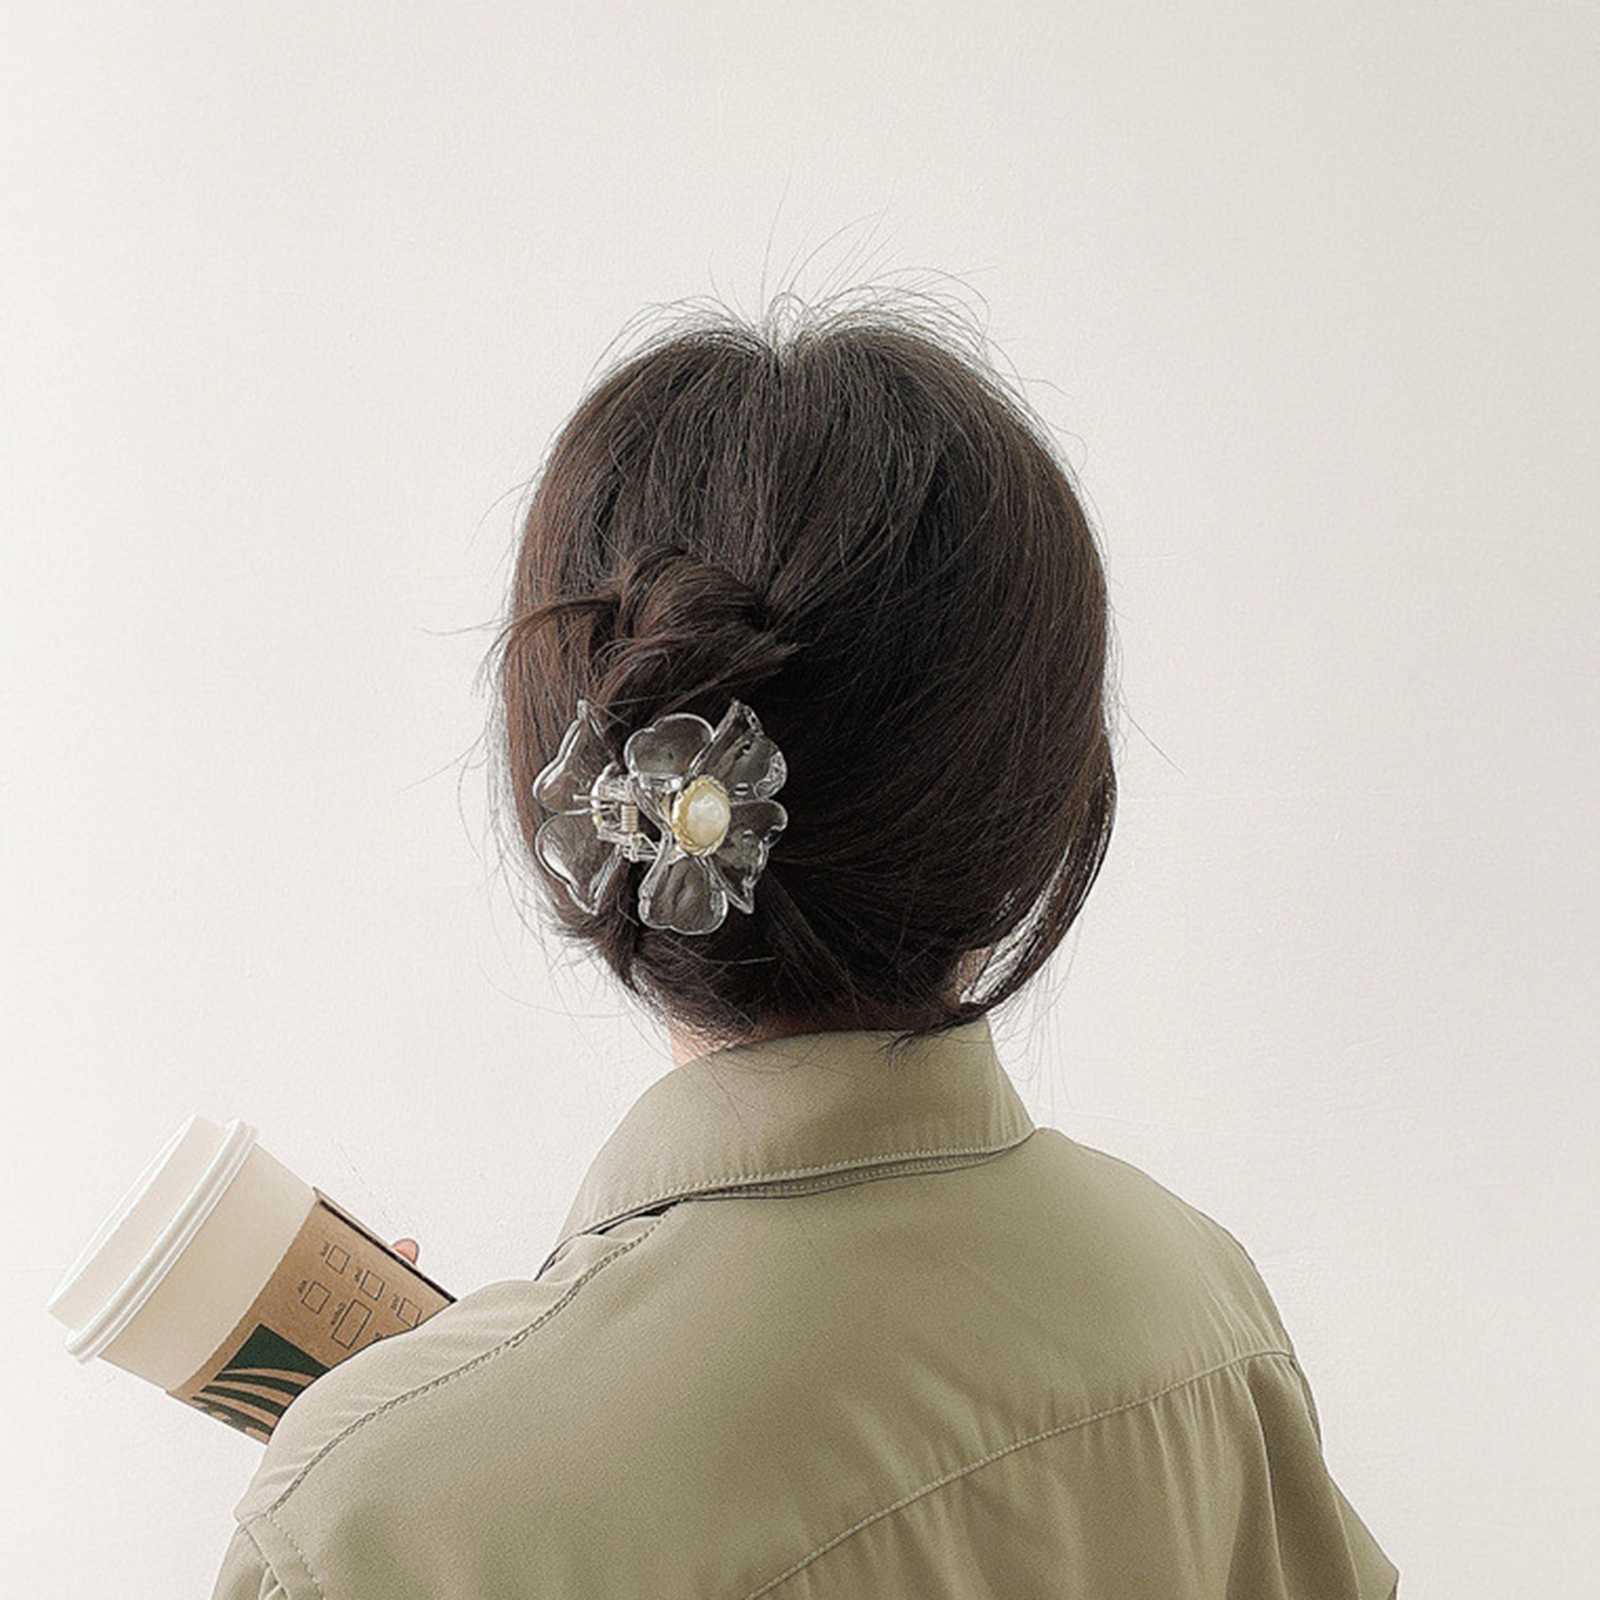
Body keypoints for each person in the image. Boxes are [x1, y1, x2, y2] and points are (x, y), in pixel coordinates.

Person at [211, 293, 1399, 1598]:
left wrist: (404, 1465)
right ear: (1036, 798)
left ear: (581, 789)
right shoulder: (1201, 1315)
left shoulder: (367, 1526)